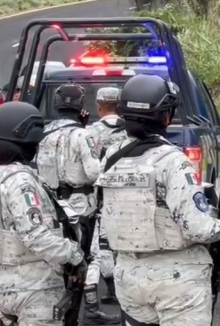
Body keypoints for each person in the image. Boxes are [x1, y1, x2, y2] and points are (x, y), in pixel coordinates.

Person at [95, 74, 220, 326]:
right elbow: (197, 228)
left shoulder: (111, 158)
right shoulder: (172, 161)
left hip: (128, 277)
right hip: (175, 280)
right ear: (166, 116)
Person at [0, 101, 87, 325]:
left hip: (1, 280)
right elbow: (36, 236)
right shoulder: (21, 181)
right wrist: (75, 256)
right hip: (34, 286)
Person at [35, 82, 120, 324]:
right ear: (82, 106)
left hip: (52, 202)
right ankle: (89, 309)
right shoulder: (84, 135)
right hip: (81, 203)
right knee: (88, 255)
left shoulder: (45, 132)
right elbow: (94, 173)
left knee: (56, 255)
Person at [85, 86, 128, 305]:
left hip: (102, 198)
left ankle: (110, 289)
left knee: (100, 246)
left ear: (99, 106)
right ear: (119, 106)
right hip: (130, 195)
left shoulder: (91, 133)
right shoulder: (131, 131)